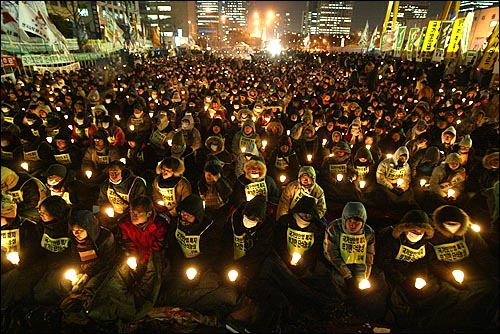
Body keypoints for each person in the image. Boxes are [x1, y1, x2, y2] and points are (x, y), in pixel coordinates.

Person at [82, 196, 169, 330]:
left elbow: (158, 247)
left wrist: (144, 261)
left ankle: (136, 304)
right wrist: (134, 259)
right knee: (121, 270)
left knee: (153, 273)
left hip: (152, 255)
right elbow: (127, 243)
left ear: (149, 213)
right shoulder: (124, 222)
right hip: (135, 253)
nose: (133, 216)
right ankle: (105, 305)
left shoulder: (160, 224)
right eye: (131, 212)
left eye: (137, 213)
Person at [157, 194, 238, 321]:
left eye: (188, 216)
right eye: (183, 214)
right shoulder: (175, 224)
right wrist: (177, 263)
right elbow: (173, 246)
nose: (184, 218)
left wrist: (197, 266)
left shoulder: (210, 230)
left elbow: (212, 253)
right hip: (180, 264)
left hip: (202, 267)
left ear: (197, 217)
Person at [375, 209, 453, 331]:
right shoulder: (390, 238)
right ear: (404, 229)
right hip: (393, 274)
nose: (417, 233)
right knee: (396, 296)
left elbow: (427, 262)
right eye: (413, 230)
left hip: (413, 274)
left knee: (433, 290)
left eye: (421, 231)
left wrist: (422, 277)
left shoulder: (426, 244)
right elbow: (384, 262)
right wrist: (402, 279)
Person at [427, 205, 499, 331]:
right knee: (451, 293)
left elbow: (482, 254)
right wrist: (449, 276)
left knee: (490, 288)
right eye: (448, 223)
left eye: (455, 224)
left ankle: (479, 322)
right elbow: (431, 262)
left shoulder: (469, 234)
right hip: (444, 272)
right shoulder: (432, 236)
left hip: (470, 270)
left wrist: (494, 271)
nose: (452, 227)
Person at [220, 195, 275, 333]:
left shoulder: (267, 228)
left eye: (253, 220)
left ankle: (245, 318)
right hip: (233, 260)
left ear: (260, 221)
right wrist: (228, 265)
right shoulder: (233, 220)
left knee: (255, 286)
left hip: (253, 265)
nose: (248, 221)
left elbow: (259, 253)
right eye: (247, 217)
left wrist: (246, 272)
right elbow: (226, 243)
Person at [60, 210, 119, 329]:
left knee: (90, 288)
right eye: (73, 231)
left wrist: (87, 275)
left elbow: (106, 262)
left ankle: (87, 313)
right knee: (64, 283)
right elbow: (75, 258)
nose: (76, 234)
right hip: (84, 270)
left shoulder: (105, 237)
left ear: (89, 228)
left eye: (80, 230)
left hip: (103, 271)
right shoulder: (75, 241)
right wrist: (77, 273)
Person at [323, 202, 378, 310]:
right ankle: (342, 306)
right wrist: (347, 276)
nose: (352, 225)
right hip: (337, 265)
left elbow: (368, 256)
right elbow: (330, 253)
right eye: (350, 221)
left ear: (363, 222)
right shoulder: (334, 228)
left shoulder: (368, 233)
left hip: (358, 265)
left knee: (369, 286)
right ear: (344, 219)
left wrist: (362, 278)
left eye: (357, 223)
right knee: (337, 281)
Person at [97, 160, 147, 234]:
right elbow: (102, 201)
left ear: (123, 172)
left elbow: (138, 204)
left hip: (129, 217)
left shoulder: (136, 183)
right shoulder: (106, 184)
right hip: (112, 216)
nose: (113, 175)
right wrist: (107, 210)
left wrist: (124, 216)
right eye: (111, 172)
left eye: (116, 172)